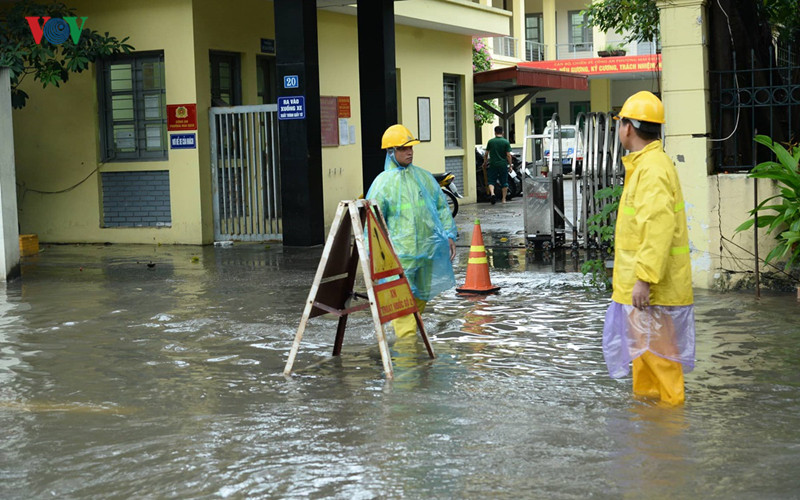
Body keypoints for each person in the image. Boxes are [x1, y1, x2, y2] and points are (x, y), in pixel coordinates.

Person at [602, 91, 696, 405]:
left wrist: (644, 278)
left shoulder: (652, 168)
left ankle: (671, 428)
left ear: (628, 127)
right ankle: (651, 427)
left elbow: (657, 228)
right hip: (642, 288)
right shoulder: (645, 165)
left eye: (620, 123)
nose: (619, 130)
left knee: (660, 357)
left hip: (651, 288)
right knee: (644, 355)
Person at [366, 124, 457, 339]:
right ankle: (407, 355)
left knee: (420, 297)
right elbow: (372, 224)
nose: (409, 152)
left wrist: (449, 235)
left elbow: (441, 207)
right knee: (402, 302)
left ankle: (409, 340)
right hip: (400, 257)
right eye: (403, 149)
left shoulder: (423, 178)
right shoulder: (382, 184)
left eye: (411, 148)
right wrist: (375, 255)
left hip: (426, 252)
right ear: (391, 152)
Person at [482, 126, 513, 204]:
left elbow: (486, 154)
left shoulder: (491, 142)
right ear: (502, 132)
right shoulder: (506, 142)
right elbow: (508, 155)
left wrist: (485, 162)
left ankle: (492, 193)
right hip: (503, 164)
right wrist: (510, 165)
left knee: (491, 180)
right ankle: (503, 199)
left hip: (493, 164)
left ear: (495, 132)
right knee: (504, 182)